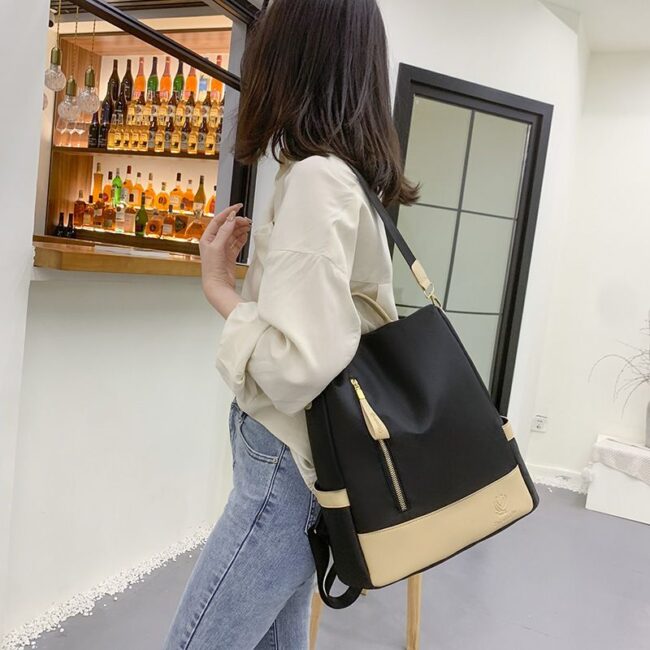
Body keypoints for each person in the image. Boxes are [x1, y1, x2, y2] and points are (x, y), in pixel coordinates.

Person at [162, 0, 419, 647]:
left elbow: (297, 363)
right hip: (304, 463)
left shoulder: (315, 180)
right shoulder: (344, 176)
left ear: (295, 52)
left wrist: (220, 288)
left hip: (286, 464)